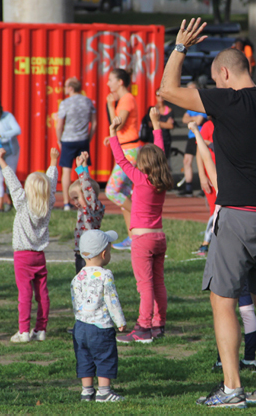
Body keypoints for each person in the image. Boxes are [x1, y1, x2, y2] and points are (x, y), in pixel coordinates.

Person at [160, 18, 256, 408]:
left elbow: (166, 90)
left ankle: (233, 387)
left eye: (217, 79)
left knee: (223, 301)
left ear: (223, 73)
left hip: (238, 216)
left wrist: (180, 47)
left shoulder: (226, 99)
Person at [190, 121, 256, 372]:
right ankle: (250, 358)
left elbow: (209, 162)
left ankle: (224, 359)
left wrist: (197, 134)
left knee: (223, 307)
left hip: (228, 252)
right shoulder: (253, 182)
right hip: (253, 247)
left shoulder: (226, 186)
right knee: (249, 307)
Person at [109, 110, 173, 343]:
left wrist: (112, 133)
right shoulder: (161, 181)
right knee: (158, 283)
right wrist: (156, 125)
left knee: (145, 286)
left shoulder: (140, 179)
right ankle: (158, 324)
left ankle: (143, 328)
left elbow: (121, 159)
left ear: (143, 163)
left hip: (142, 241)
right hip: (159, 238)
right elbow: (161, 155)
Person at [0, 147, 58, 343]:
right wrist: (53, 161)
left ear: (28, 190)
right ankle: (41, 329)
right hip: (39, 255)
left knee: (25, 294)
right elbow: (52, 183)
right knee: (42, 294)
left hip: (22, 257)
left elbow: (13, 184)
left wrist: (2, 161)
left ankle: (23, 331)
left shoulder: (22, 202)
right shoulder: (48, 203)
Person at [71, 229, 127, 402]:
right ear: (104, 253)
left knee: (84, 357)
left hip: (80, 326)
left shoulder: (77, 277)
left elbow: (75, 302)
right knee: (105, 357)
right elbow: (112, 300)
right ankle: (104, 392)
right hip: (101, 327)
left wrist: (79, 318)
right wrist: (120, 321)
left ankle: (86, 391)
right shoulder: (106, 275)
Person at [104, 69, 140, 250]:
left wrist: (111, 107)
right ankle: (134, 239)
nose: (108, 83)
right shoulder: (125, 99)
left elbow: (119, 125)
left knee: (111, 190)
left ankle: (142, 220)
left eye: (111, 79)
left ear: (120, 82)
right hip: (126, 148)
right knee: (124, 194)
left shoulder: (126, 99)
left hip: (130, 151)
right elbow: (118, 129)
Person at [57, 77, 97, 212]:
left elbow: (59, 125)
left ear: (70, 88)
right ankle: (86, 200)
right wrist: (89, 138)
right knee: (83, 170)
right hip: (83, 139)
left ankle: (67, 203)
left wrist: (59, 139)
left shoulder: (65, 103)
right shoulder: (88, 101)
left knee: (66, 171)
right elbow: (94, 123)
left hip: (68, 140)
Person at [69, 152, 106, 274]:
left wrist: (80, 168)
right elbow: (87, 186)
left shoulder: (92, 208)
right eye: (72, 199)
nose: (75, 202)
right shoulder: (85, 207)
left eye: (76, 198)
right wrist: (84, 165)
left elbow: (87, 187)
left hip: (89, 256)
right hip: (81, 255)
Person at [194, 118, 216, 256]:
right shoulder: (208, 126)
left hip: (227, 174)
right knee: (214, 209)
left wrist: (212, 144)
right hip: (210, 175)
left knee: (220, 210)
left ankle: (208, 243)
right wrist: (202, 176)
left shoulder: (230, 122)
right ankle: (207, 243)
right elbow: (199, 153)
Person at [181, 81, 207, 197]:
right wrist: (193, 118)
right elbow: (184, 119)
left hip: (201, 136)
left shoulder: (202, 103)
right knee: (187, 160)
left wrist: (193, 118)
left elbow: (200, 120)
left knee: (202, 162)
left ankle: (205, 187)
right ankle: (188, 188)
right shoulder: (190, 106)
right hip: (192, 136)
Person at [140, 89, 175, 158]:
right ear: (155, 96)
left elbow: (171, 126)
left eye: (162, 95)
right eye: (158, 95)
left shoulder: (170, 110)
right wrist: (165, 124)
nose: (160, 97)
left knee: (164, 160)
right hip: (153, 138)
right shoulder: (152, 109)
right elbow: (150, 124)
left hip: (165, 139)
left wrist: (156, 122)